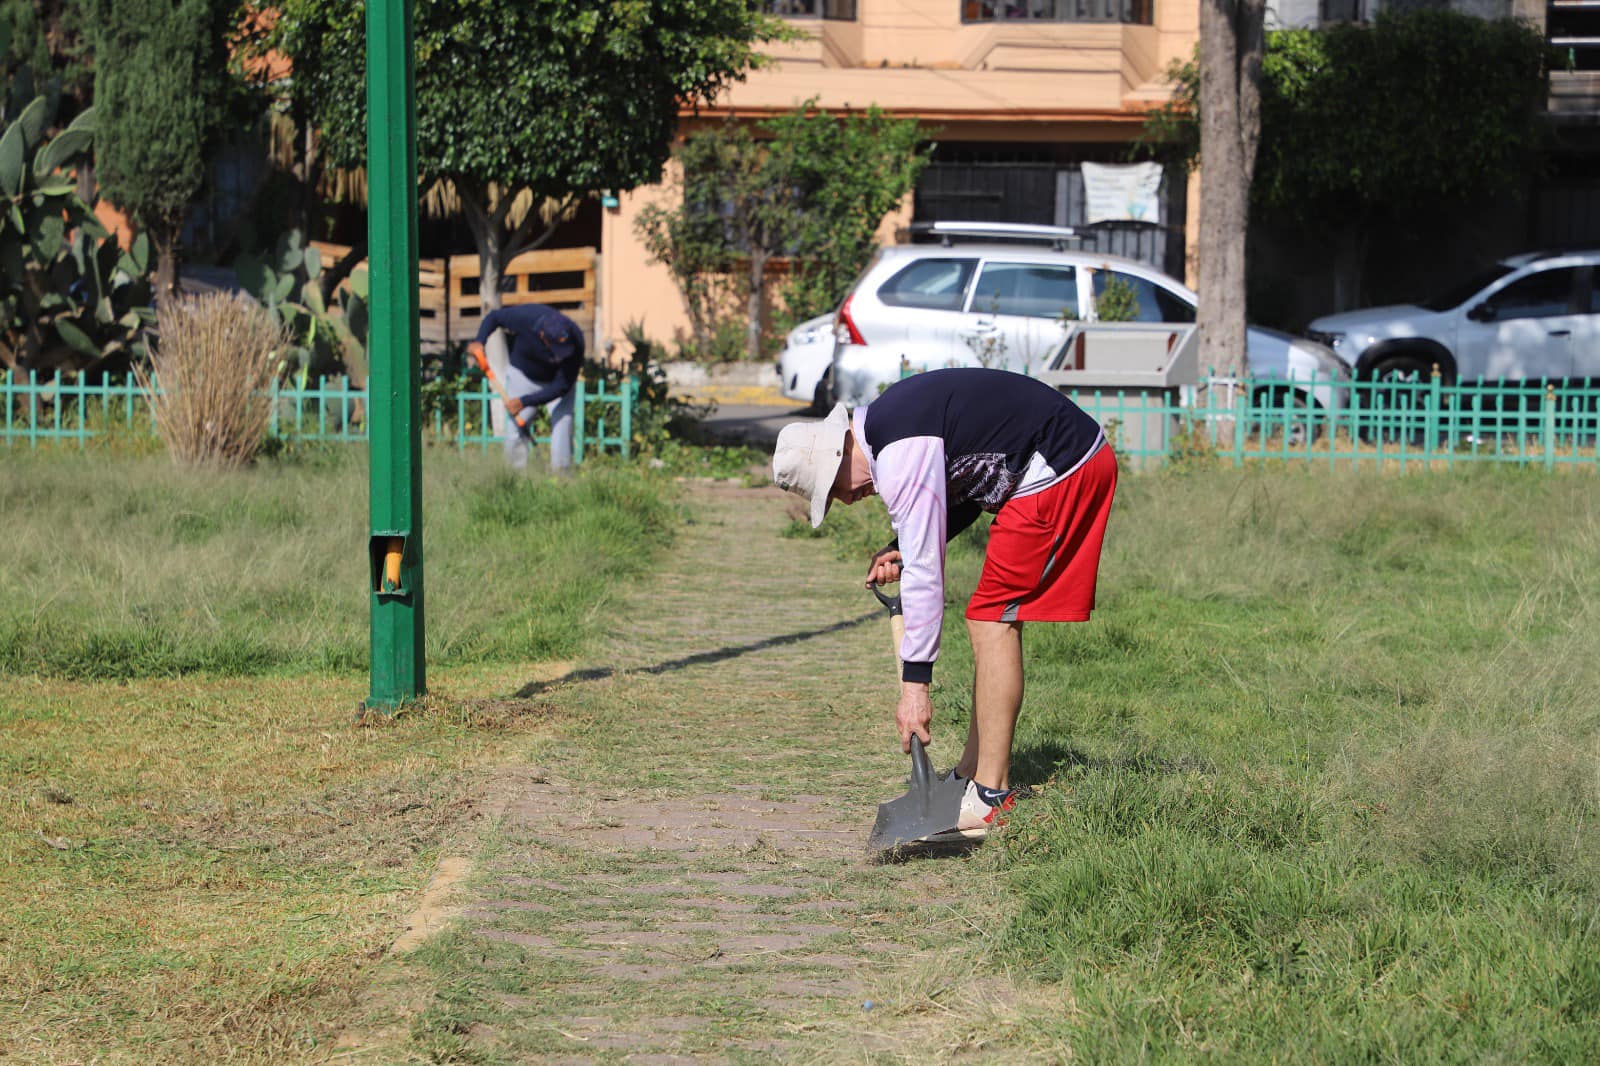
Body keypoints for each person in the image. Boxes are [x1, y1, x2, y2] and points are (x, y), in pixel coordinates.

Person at [772, 367, 1117, 839]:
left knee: (992, 620)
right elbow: (969, 487)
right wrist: (901, 544)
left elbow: (926, 575)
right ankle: (971, 775)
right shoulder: (888, 426)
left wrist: (915, 688)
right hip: (1049, 465)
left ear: (838, 456)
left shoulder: (899, 453)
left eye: (835, 489)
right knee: (987, 618)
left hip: (1062, 467)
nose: (848, 500)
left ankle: (992, 795)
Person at [467, 303, 584, 473]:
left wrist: (524, 402)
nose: (561, 354)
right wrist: (480, 340)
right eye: (556, 349)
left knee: (563, 422)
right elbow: (494, 317)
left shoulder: (576, 339)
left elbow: (562, 387)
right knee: (515, 429)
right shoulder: (528, 317)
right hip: (524, 376)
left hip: (557, 382)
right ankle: (514, 478)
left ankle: (561, 476)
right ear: (543, 336)